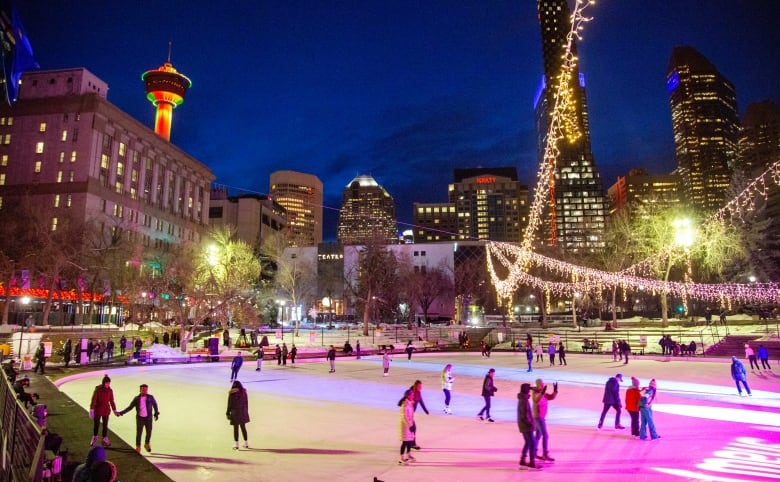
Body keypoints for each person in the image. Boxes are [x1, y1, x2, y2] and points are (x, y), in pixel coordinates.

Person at [118, 383, 160, 453]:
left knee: (149, 432)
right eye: (143, 390)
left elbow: (155, 404)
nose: (145, 391)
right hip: (140, 418)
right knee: (139, 433)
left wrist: (156, 413)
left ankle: (147, 444)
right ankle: (138, 446)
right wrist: (121, 413)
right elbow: (130, 407)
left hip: (148, 418)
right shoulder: (137, 399)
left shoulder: (150, 397)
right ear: (140, 390)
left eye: (146, 390)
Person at [532, 378, 558, 462]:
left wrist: (555, 391)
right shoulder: (535, 393)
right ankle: (545, 454)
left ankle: (534, 453)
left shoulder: (542, 393)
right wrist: (542, 393)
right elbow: (536, 401)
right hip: (538, 417)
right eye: (541, 384)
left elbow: (550, 397)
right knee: (545, 436)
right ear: (538, 385)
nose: (543, 385)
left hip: (541, 417)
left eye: (543, 384)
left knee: (538, 436)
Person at [90, 375, 119, 447]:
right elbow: (94, 400)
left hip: (106, 410)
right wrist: (92, 410)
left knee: (105, 425)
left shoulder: (110, 390)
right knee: (96, 425)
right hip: (98, 410)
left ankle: (105, 438)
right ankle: (95, 437)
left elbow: (112, 401)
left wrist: (114, 410)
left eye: (109, 383)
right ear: (104, 383)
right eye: (107, 383)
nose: (108, 384)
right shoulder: (98, 390)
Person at [517, 383, 541, 470]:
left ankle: (523, 459)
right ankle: (532, 462)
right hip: (526, 426)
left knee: (528, 442)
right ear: (526, 390)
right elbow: (524, 415)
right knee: (533, 443)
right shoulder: (524, 400)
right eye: (529, 389)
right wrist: (531, 423)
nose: (530, 391)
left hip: (523, 425)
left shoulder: (522, 398)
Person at [226, 380, 250, 449]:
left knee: (236, 428)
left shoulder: (232, 393)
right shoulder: (244, 392)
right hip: (243, 412)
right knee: (243, 427)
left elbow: (229, 404)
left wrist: (227, 413)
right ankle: (246, 443)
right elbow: (246, 402)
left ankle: (236, 445)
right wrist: (246, 412)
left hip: (235, 413)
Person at [407, 380, 429, 450]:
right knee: (413, 428)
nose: (421, 388)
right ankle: (411, 444)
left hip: (411, 414)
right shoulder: (411, 392)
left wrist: (426, 410)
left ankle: (410, 443)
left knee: (411, 428)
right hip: (408, 413)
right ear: (416, 386)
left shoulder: (418, 393)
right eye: (420, 386)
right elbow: (406, 399)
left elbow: (421, 402)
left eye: (421, 386)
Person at [397, 389, 416, 465]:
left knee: (410, 441)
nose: (413, 396)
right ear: (408, 396)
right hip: (405, 426)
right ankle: (401, 458)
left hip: (410, 424)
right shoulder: (404, 404)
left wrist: (412, 424)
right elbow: (404, 417)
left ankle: (409, 454)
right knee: (405, 442)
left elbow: (411, 415)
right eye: (412, 395)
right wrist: (410, 426)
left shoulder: (410, 403)